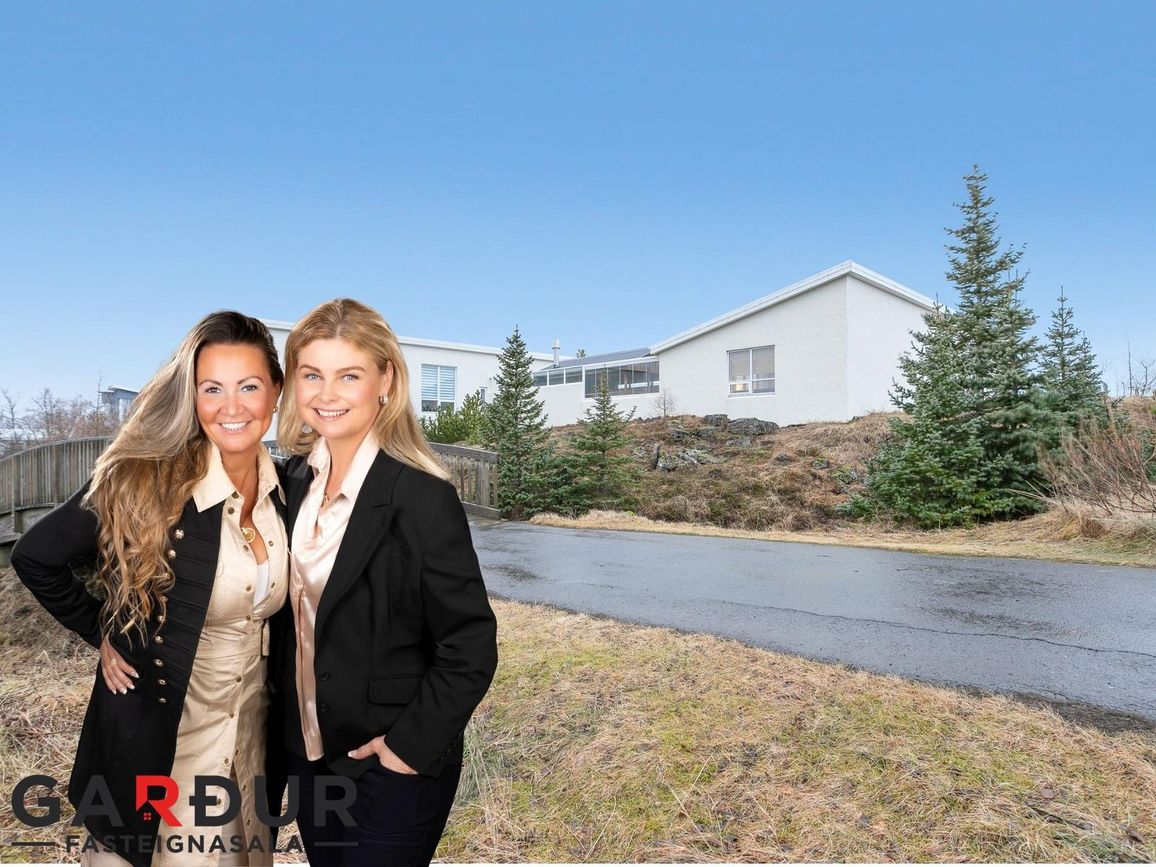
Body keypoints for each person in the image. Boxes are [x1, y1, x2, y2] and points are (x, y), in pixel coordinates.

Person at [11, 312, 288, 867]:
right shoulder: (143, 480)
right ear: (191, 395)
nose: (231, 406)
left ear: (276, 392)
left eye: (249, 386)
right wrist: (102, 631)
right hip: (165, 735)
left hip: (250, 741)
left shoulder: (290, 490)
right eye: (212, 388)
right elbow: (35, 556)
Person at [267, 298, 498, 867]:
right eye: (312, 375)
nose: (327, 393)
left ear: (386, 380)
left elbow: (470, 643)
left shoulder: (423, 497)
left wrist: (406, 749)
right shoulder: (288, 482)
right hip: (309, 756)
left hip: (388, 762)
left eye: (349, 375)